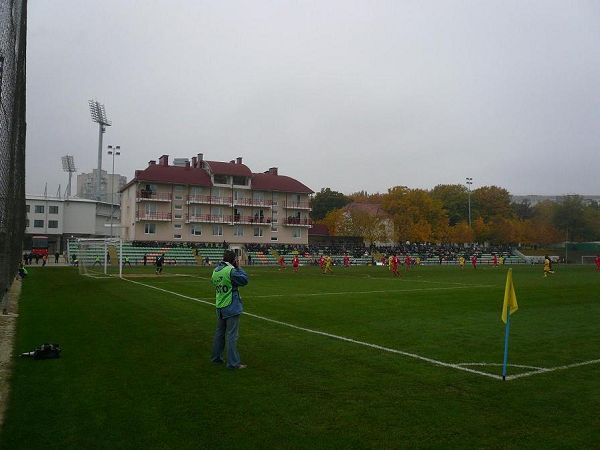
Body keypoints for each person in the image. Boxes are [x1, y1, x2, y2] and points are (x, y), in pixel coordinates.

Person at [211, 250, 249, 369]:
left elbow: (214, 282)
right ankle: (233, 363)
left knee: (219, 333)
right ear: (233, 260)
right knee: (232, 335)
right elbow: (244, 280)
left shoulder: (216, 270)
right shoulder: (231, 271)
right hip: (231, 305)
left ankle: (216, 357)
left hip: (220, 305)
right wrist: (239, 268)